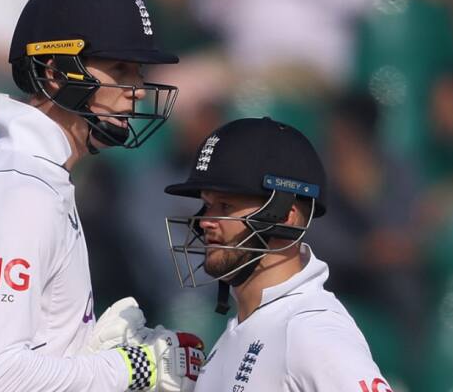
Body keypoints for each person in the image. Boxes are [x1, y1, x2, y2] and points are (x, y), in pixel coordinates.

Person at [0, 0, 203, 391]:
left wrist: (87, 354)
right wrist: (136, 368)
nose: (136, 89)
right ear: (56, 72)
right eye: (119, 68)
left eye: (137, 71)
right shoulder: (21, 189)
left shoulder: (0, 162)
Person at [163, 117, 392, 391]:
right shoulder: (243, 329)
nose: (205, 221)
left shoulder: (311, 330)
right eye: (207, 205)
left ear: (284, 216)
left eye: (225, 206)